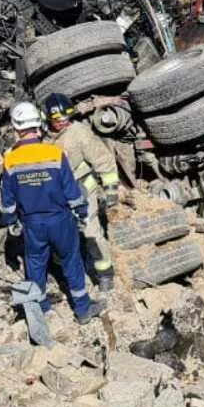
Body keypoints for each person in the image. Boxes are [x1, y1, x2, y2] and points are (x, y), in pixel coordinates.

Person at [0, 101, 105, 323]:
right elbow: (71, 189)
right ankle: (83, 309)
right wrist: (81, 211)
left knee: (35, 264)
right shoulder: (55, 153)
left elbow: (7, 199)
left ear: (17, 129)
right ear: (38, 125)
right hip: (60, 219)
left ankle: (40, 309)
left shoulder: (10, 159)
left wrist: (11, 221)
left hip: (32, 223)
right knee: (71, 261)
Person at [43, 93, 120, 291]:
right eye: (58, 119)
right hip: (56, 193)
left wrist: (111, 190)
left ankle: (105, 274)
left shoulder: (79, 133)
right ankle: (64, 275)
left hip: (82, 187)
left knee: (91, 232)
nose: (62, 123)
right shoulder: (41, 138)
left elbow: (103, 160)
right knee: (58, 236)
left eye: (66, 118)